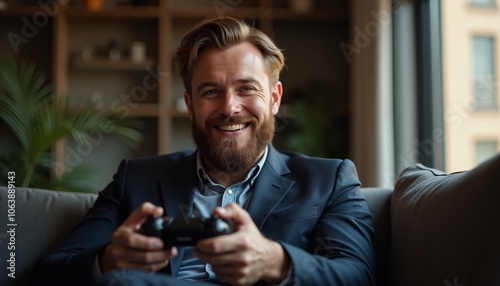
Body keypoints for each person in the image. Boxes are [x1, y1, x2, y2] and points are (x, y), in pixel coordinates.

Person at [33, 17, 375, 286]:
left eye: (247, 89)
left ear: (274, 98)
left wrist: (276, 262)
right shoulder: (135, 179)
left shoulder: (329, 180)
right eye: (211, 91)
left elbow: (358, 276)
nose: (230, 108)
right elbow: (49, 274)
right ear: (190, 104)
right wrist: (109, 260)